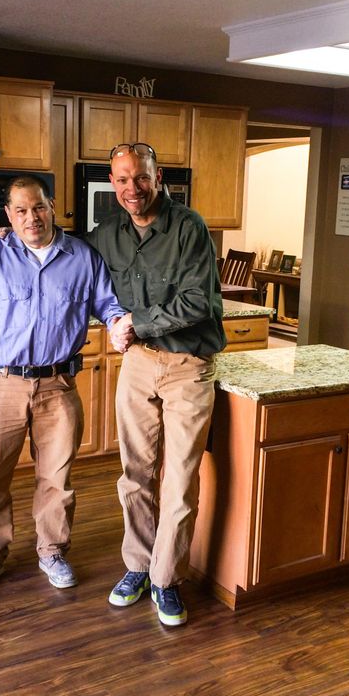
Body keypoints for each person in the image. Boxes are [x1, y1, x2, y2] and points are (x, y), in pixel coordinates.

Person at [0, 175, 127, 598]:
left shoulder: (83, 257)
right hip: (0, 384)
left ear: (52, 207)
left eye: (39, 208)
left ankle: (52, 550)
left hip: (58, 384)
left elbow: (108, 303)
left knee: (56, 478)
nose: (32, 218)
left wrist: (121, 322)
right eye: (21, 210)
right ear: (8, 215)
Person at [96, 143, 226, 626]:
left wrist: (134, 321)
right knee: (134, 471)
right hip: (137, 363)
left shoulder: (189, 227)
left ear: (158, 175)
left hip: (189, 363)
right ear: (113, 181)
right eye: (123, 180)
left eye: (142, 178)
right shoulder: (107, 234)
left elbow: (199, 303)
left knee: (179, 475)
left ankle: (166, 578)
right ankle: (138, 567)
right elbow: (65, 261)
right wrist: (9, 235)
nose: (133, 189)